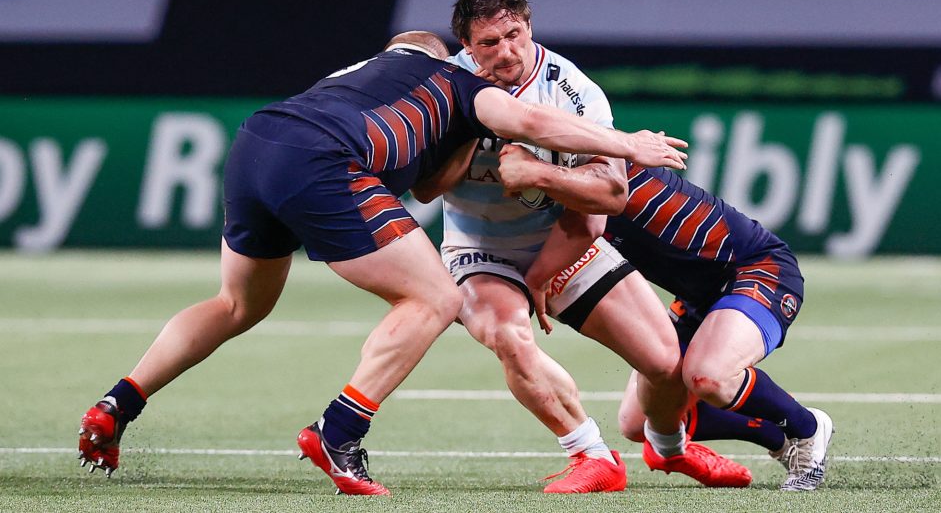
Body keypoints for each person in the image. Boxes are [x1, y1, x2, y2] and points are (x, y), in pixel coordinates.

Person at [74, 31, 688, 496]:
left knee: (236, 304)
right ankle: (339, 432)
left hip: (258, 141)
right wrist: (629, 144)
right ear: (452, 56)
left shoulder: (362, 71)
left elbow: (427, 184)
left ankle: (117, 405)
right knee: (436, 298)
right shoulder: (463, 85)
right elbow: (529, 119)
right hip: (325, 163)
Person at [436, 0, 747, 493]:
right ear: (467, 46)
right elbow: (426, 189)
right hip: (478, 249)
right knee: (510, 338)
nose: (506, 51)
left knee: (666, 364)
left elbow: (608, 198)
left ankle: (670, 450)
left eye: (514, 34)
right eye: (489, 43)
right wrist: (469, 143)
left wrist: (537, 184)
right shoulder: (446, 86)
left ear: (529, 25)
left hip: (562, 243)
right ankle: (592, 455)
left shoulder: (573, 91)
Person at [525, 159, 835, 491]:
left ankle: (807, 428)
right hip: (697, 297)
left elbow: (590, 209)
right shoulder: (574, 179)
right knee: (639, 423)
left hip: (759, 270)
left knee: (708, 376)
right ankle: (774, 433)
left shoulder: (599, 175)